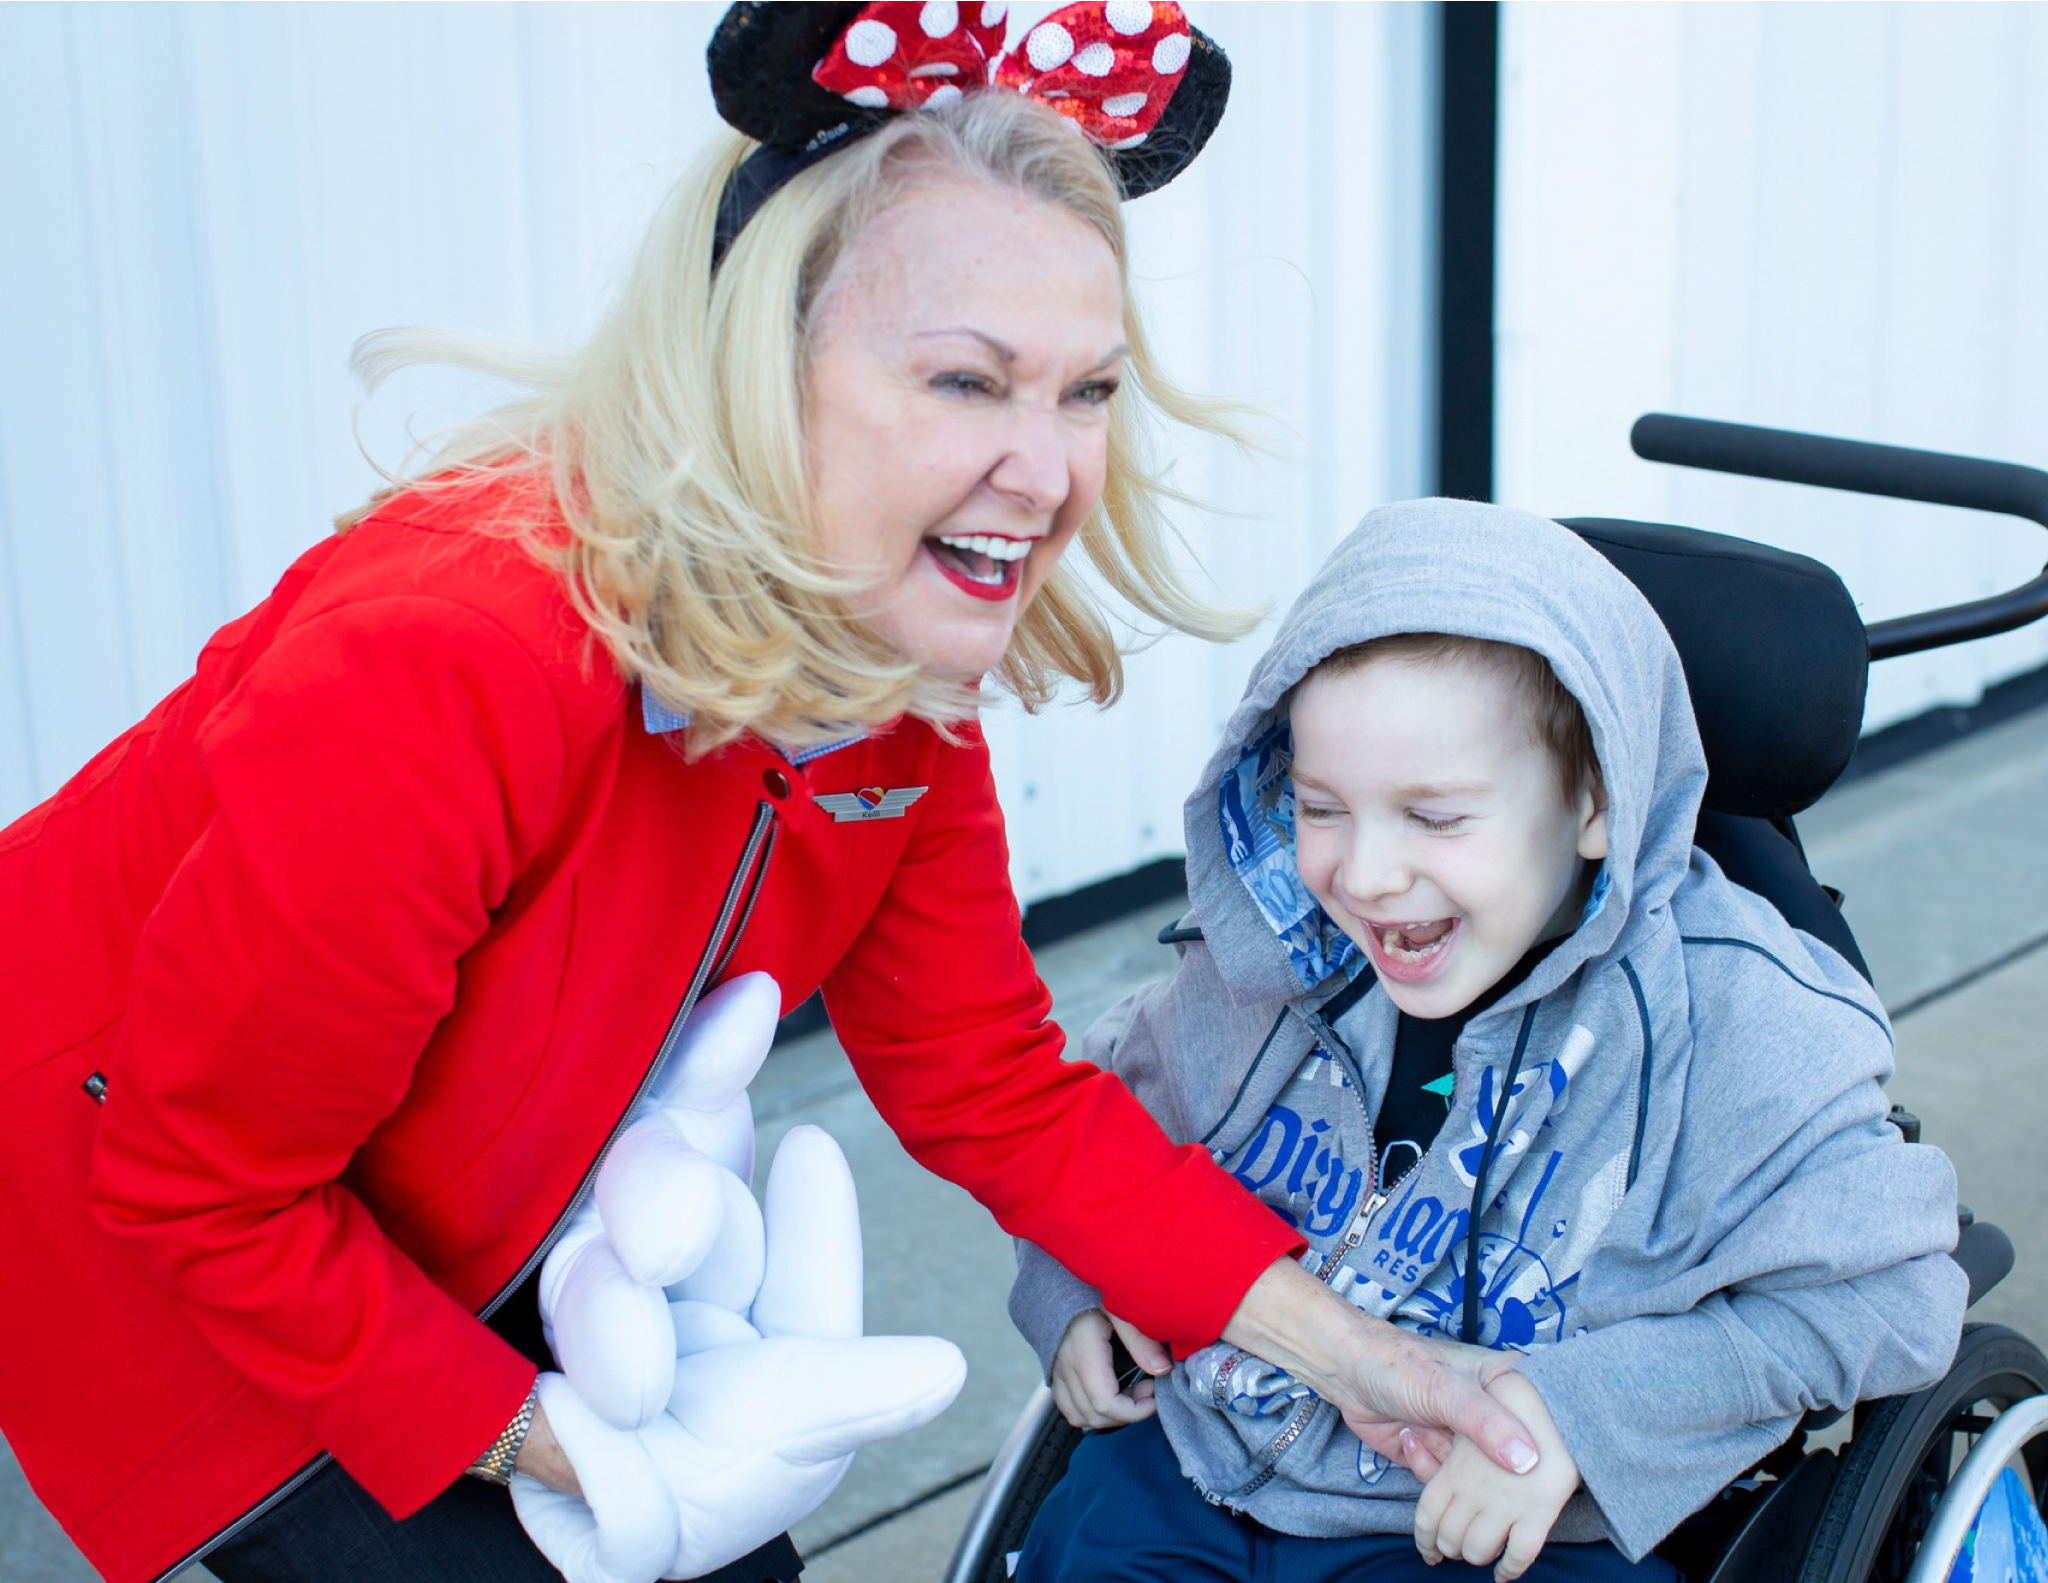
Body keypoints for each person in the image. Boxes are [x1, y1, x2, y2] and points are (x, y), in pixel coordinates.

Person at [0, 10, 1542, 1583]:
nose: (1046, 468)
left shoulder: (889, 684)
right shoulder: (446, 657)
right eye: (965, 380)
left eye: (1085, 392)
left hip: (480, 1214)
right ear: (757, 360)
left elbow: (988, 1084)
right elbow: (204, 1187)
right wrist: (563, 1438)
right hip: (169, 1238)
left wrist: (1363, 1356)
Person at [1009, 498, 1969, 1582]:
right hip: (1199, 1461)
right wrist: (1069, 1289)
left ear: (1595, 798)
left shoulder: (1741, 1023)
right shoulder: (1270, 964)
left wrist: (1575, 1414)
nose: (1362, 876)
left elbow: (1889, 1298)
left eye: (1434, 816)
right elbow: (1082, 1135)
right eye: (1321, 807)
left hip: (1496, 1524)